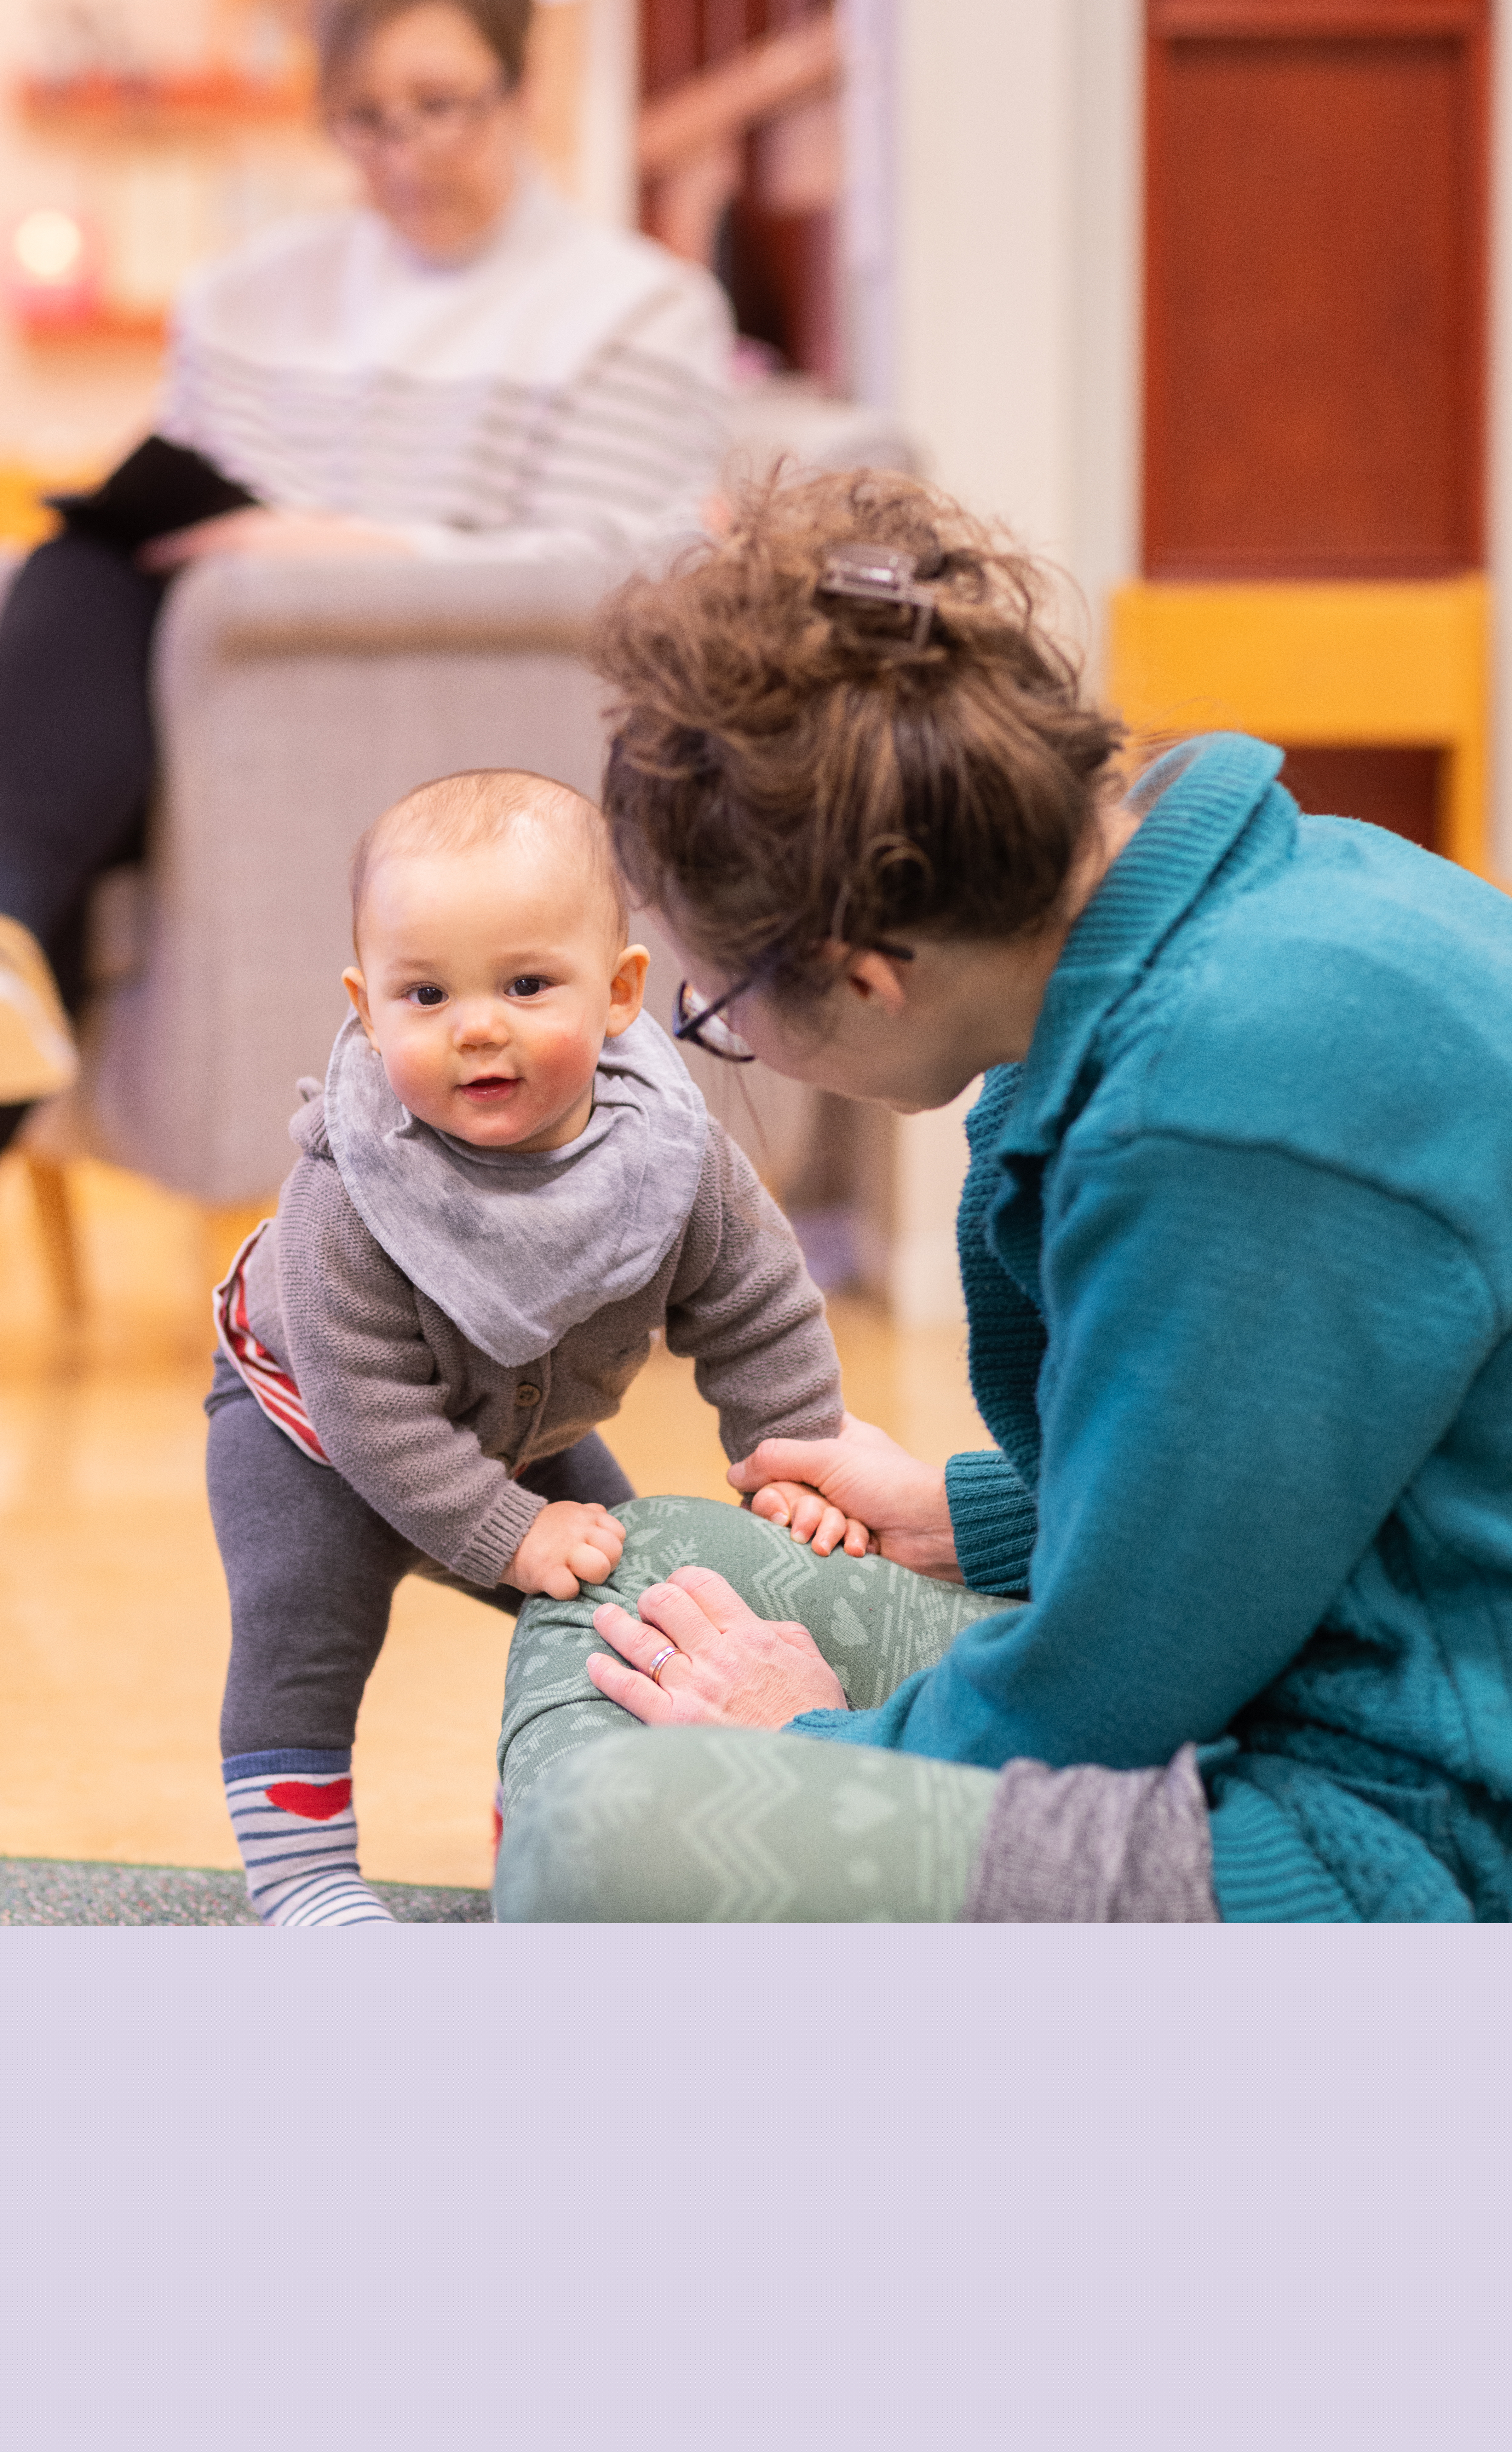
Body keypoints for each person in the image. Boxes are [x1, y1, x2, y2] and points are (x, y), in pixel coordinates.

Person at [491, 469, 1512, 1924]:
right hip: (1341, 1674)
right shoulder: (1264, 907)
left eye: (720, 1007)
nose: (726, 1040)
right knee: (645, 1563)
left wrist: (807, 1745)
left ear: (864, 969)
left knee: (599, 1839)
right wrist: (966, 1516)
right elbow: (1289, 1472)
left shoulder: (1223, 1101)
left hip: (1408, 1830)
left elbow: (1115, 1685)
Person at [0, 0, 731, 1420]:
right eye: (364, 118)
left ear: (521, 87)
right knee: (75, 569)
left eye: (443, 107)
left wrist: (328, 546)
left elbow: (621, 560)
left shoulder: (633, 308)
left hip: (390, 703)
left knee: (86, 633)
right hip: (194, 704)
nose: (404, 152)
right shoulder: (250, 294)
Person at [205, 770, 859, 1923]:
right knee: (306, 1628)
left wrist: (797, 1458)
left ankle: (545, 1814)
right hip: (308, 1429)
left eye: (525, 983)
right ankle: (299, 1879)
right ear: (366, 1007)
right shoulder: (352, 1189)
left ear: (619, 994)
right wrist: (511, 1530)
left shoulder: (668, 1155)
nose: (478, 1026)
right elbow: (371, 1413)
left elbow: (757, 1307)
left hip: (523, 1424)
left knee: (625, 1600)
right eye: (424, 995)